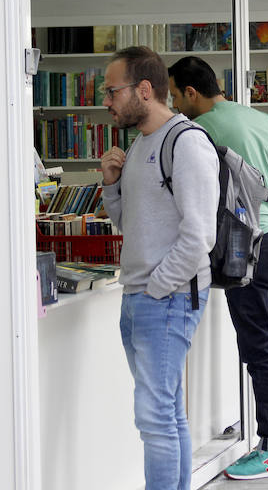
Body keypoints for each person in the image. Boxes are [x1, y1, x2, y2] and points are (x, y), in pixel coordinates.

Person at [167, 56, 268, 480]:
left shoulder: (198, 130)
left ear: (192, 93)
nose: (173, 105)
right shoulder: (258, 117)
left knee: (257, 345)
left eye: (174, 95)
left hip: (245, 244)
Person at [100, 46, 220, 490]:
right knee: (167, 412)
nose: (107, 102)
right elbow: (135, 225)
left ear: (144, 90)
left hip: (164, 298)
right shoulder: (140, 144)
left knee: (154, 417)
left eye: (113, 91)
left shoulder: (185, 142)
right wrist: (112, 188)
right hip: (141, 296)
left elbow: (199, 235)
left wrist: (157, 287)